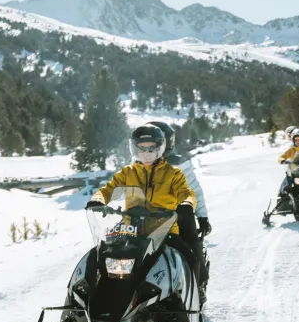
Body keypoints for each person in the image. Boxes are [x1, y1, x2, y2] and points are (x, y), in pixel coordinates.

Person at [85, 124, 208, 302]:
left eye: (152, 148)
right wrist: (98, 199)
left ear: (161, 148)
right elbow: (108, 189)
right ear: (134, 149)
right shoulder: (127, 173)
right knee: (102, 254)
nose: (147, 153)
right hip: (132, 231)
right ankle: (95, 297)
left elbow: (187, 193)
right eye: (142, 149)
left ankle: (195, 295)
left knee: (189, 256)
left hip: (165, 231)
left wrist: (187, 204)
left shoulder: (173, 174)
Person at [146, 120, 212, 299]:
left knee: (190, 247)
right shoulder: (139, 163)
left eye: (154, 142)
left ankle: (197, 284)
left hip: (178, 215)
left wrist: (203, 217)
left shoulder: (179, 163)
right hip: (146, 216)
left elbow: (194, 191)